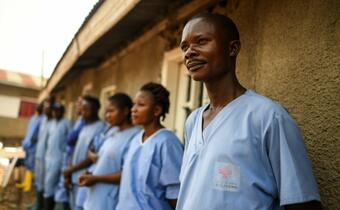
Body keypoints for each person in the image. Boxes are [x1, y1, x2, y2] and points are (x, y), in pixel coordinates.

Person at [176, 13, 321, 210]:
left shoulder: (267, 116)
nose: (189, 52)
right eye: (184, 47)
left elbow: (302, 202)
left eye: (201, 41)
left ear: (232, 48)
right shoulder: (193, 120)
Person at [116, 83, 183, 210]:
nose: (133, 109)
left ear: (157, 110)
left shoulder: (167, 143)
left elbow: (175, 193)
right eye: (134, 104)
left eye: (141, 105)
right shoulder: (136, 139)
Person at [79, 93, 140, 210]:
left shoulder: (134, 137)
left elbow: (127, 174)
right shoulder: (112, 132)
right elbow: (104, 162)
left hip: (109, 200)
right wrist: (91, 174)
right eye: (106, 112)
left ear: (126, 111)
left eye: (111, 111)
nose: (107, 116)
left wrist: (96, 178)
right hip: (95, 197)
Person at [63, 96, 105, 210]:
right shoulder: (84, 126)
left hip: (86, 177)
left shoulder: (101, 128)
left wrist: (70, 170)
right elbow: (76, 151)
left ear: (96, 109)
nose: (83, 112)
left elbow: (92, 157)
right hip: (74, 175)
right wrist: (69, 172)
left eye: (86, 109)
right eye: (82, 109)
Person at [54, 96, 85, 210]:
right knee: (65, 190)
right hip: (69, 160)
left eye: (80, 104)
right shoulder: (78, 122)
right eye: (77, 103)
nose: (77, 106)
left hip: (77, 165)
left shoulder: (88, 125)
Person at [29, 96, 55, 210]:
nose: (46, 109)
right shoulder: (42, 120)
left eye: (48, 107)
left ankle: (44, 206)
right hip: (39, 155)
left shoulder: (55, 122)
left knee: (47, 184)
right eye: (44, 107)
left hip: (49, 158)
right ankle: (38, 203)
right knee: (38, 180)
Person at [43, 103, 71, 210]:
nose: (55, 113)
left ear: (62, 112)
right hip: (48, 158)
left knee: (54, 186)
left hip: (60, 159)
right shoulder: (51, 124)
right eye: (54, 111)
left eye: (58, 111)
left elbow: (70, 143)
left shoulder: (67, 124)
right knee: (48, 184)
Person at [17, 103, 43, 192]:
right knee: (27, 163)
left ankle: (28, 184)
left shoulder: (42, 119)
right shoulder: (33, 118)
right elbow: (29, 131)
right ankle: (25, 182)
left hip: (34, 145)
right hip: (27, 144)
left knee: (31, 164)